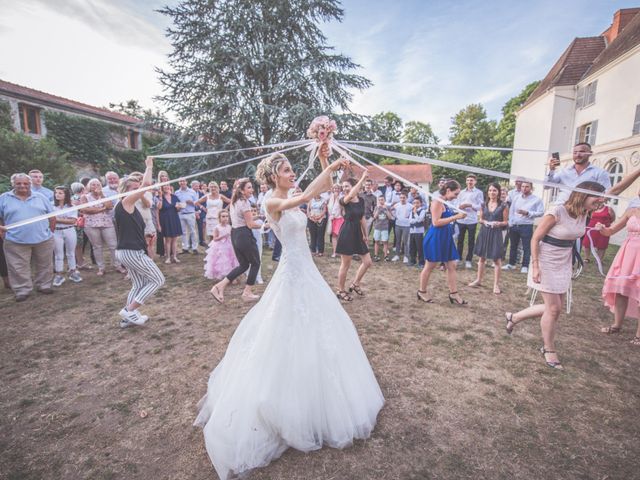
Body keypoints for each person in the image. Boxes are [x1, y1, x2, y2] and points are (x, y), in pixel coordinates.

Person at [195, 152, 383, 480]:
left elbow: (313, 190)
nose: (291, 173)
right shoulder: (270, 202)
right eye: (286, 170)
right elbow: (311, 194)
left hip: (305, 272)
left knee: (322, 326)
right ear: (273, 177)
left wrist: (327, 161)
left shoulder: (287, 197)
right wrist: (332, 166)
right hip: (291, 273)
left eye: (292, 169)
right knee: (284, 330)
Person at [504, 181, 606, 370]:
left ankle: (514, 317)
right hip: (546, 260)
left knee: (554, 308)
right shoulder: (557, 211)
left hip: (564, 261)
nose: (601, 201)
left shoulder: (585, 212)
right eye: (597, 197)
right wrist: (535, 266)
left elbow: (616, 191)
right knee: (554, 309)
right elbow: (535, 238)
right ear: (582, 195)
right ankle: (548, 348)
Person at [114, 159, 165, 328]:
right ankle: (129, 310)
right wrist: (149, 166)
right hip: (130, 252)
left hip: (130, 250)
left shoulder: (131, 206)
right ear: (126, 191)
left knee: (138, 283)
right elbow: (148, 184)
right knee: (158, 280)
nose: (139, 192)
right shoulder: (124, 203)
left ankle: (128, 318)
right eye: (135, 189)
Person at [0, 173, 56, 301]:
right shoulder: (4, 198)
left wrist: (50, 232)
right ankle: (22, 290)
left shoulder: (40, 197)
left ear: (30, 184)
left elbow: (52, 216)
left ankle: (44, 285)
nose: (22, 186)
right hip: (15, 240)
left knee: (45, 264)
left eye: (25, 183)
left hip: (43, 238)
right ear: (13, 184)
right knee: (17, 266)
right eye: (19, 183)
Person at [210, 178, 263, 303]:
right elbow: (250, 224)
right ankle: (247, 292)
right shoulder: (245, 202)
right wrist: (266, 225)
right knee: (255, 263)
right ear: (242, 190)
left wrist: (259, 216)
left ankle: (219, 287)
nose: (252, 189)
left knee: (244, 265)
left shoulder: (235, 201)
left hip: (235, 234)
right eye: (249, 187)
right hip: (244, 235)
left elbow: (242, 218)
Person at [596, 205, 640, 345]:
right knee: (621, 290)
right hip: (628, 254)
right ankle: (617, 325)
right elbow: (610, 231)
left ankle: (639, 335)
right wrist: (602, 229)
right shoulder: (632, 211)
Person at [418, 180, 467, 305]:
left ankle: (454, 293)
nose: (456, 197)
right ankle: (421, 291)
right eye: (455, 194)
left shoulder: (446, 202)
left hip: (446, 237)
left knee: (451, 265)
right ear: (448, 190)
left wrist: (458, 214)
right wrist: (455, 217)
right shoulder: (437, 201)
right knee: (430, 266)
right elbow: (436, 222)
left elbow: (445, 217)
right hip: (436, 237)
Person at [335, 172, 373, 301]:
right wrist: (362, 177)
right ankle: (340, 290)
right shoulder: (343, 200)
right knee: (345, 264)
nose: (344, 189)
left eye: (347, 186)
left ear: (353, 186)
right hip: (347, 232)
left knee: (367, 262)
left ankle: (355, 283)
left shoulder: (361, 200)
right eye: (343, 187)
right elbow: (351, 195)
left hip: (358, 233)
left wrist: (366, 234)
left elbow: (362, 218)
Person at [468, 183, 508, 294]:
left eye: (494, 190)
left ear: (498, 192)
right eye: (490, 190)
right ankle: (478, 280)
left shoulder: (504, 206)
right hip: (484, 232)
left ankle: (496, 285)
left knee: (496, 259)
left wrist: (498, 223)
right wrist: (484, 221)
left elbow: (506, 222)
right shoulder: (483, 204)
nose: (492, 192)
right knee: (481, 258)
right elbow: (480, 219)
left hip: (496, 233)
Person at [80, 179, 124, 276]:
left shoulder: (105, 196)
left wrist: (102, 197)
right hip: (91, 225)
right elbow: (85, 210)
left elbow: (109, 206)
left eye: (97, 184)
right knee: (97, 246)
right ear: (89, 186)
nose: (95, 186)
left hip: (106, 223)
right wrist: (102, 209)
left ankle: (118, 265)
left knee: (113, 245)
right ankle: (101, 267)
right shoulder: (85, 197)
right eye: (93, 185)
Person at [545, 143, 610, 204]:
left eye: (582, 152)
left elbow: (607, 193)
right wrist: (551, 170)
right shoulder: (564, 171)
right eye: (575, 153)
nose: (578, 155)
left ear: (590, 153)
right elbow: (546, 186)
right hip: (561, 207)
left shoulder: (600, 172)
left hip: (583, 211)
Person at [502, 182, 544, 273]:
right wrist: (510, 222)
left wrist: (528, 213)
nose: (524, 188)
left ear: (531, 188)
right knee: (513, 245)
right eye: (523, 186)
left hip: (526, 226)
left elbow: (541, 212)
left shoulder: (537, 200)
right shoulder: (517, 198)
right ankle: (511, 264)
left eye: (527, 187)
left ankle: (525, 266)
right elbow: (512, 211)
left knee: (526, 247)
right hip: (514, 225)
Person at [52, 186, 82, 287]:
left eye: (60, 193)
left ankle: (72, 272)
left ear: (66, 195)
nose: (57, 195)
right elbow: (49, 220)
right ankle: (59, 274)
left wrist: (56, 219)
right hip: (56, 232)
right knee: (58, 254)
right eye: (56, 193)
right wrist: (59, 220)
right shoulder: (51, 206)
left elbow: (73, 221)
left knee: (70, 252)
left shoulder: (71, 206)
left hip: (69, 230)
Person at [455, 174, 483, 269]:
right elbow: (456, 204)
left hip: (472, 220)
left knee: (471, 241)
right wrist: (460, 206)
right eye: (468, 180)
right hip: (461, 219)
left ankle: (468, 260)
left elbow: (480, 206)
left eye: (471, 180)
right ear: (466, 181)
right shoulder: (461, 192)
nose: (469, 182)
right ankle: (458, 258)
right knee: (460, 240)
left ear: (475, 182)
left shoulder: (479, 192)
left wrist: (470, 205)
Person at [204, 210, 238, 280]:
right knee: (221, 260)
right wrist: (223, 236)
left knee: (230, 259)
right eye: (223, 216)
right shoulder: (217, 227)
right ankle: (221, 275)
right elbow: (215, 239)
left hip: (229, 244)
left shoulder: (229, 226)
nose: (225, 218)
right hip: (220, 246)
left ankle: (230, 275)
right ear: (219, 218)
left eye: (227, 216)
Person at [158, 184, 183, 264]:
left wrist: (179, 208)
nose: (166, 187)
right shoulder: (159, 197)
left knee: (175, 239)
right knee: (168, 240)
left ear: (170, 187)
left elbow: (179, 208)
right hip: (165, 220)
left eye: (167, 186)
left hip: (174, 219)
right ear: (162, 188)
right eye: (164, 186)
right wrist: (161, 197)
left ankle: (174, 256)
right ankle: (168, 257)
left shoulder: (174, 197)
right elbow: (159, 208)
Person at [175, 178, 200, 254]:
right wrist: (177, 206)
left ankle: (194, 248)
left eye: (183, 181)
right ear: (179, 182)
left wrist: (191, 202)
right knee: (183, 232)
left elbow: (197, 203)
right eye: (180, 181)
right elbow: (175, 203)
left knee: (193, 231)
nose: (182, 182)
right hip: (181, 213)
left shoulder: (192, 192)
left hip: (190, 213)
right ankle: (185, 248)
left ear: (186, 182)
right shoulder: (177, 192)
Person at [134, 183, 157, 260]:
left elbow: (148, 205)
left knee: (150, 243)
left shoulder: (148, 194)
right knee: (139, 244)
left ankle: (151, 262)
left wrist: (140, 194)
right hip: (135, 222)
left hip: (147, 221)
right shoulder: (130, 194)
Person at [391, 192, 412, 263]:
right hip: (398, 225)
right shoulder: (396, 205)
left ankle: (406, 256)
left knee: (406, 241)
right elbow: (391, 210)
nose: (402, 199)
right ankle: (397, 255)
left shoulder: (410, 206)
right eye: (401, 198)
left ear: (407, 198)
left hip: (406, 226)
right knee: (398, 240)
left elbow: (414, 213)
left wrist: (409, 218)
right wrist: (395, 216)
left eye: (404, 198)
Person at [372, 195, 393, 261]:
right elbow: (374, 217)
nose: (381, 201)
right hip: (377, 227)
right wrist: (378, 209)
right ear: (378, 201)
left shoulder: (387, 208)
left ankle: (385, 256)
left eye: (382, 200)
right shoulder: (376, 207)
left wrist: (385, 209)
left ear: (384, 200)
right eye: (380, 200)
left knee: (385, 242)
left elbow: (390, 217)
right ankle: (376, 255)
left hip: (385, 227)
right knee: (377, 241)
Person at [408, 197, 427, 267]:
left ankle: (421, 262)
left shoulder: (422, 211)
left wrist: (415, 214)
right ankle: (412, 261)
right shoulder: (411, 211)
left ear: (421, 203)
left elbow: (420, 219)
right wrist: (416, 218)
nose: (415, 204)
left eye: (417, 203)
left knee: (420, 247)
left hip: (419, 231)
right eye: (414, 203)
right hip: (412, 231)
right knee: (412, 247)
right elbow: (410, 220)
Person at [327, 183, 344, 258]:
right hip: (332, 218)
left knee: (340, 235)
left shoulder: (342, 197)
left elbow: (342, 207)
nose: (336, 190)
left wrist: (338, 199)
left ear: (340, 189)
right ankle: (335, 252)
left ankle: (341, 252)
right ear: (332, 189)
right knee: (333, 236)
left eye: (337, 188)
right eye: (334, 188)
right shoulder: (330, 197)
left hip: (340, 218)